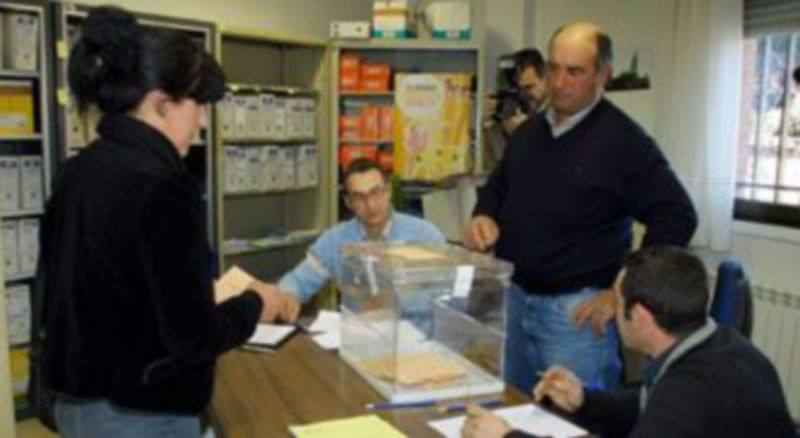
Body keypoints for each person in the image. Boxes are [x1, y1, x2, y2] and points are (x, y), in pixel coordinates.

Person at [38, 6, 296, 437]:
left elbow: (95, 285)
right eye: (198, 105)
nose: (203, 120)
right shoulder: (162, 185)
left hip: (77, 399)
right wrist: (257, 303)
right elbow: (194, 337)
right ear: (162, 103)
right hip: (136, 412)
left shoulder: (80, 169)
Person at [465, 21, 698, 393]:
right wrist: (484, 213)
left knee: (576, 418)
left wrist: (625, 289)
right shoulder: (530, 131)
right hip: (514, 299)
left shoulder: (625, 142)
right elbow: (499, 183)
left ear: (603, 75)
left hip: (575, 318)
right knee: (511, 409)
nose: (559, 83)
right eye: (553, 68)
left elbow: (677, 215)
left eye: (574, 72)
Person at [462, 246, 796, 438]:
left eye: (616, 304)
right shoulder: (717, 343)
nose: (610, 314)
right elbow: (648, 403)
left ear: (641, 316)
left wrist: (507, 436)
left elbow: (671, 405)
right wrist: (584, 402)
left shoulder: (690, 389)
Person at [278, 158, 445, 305]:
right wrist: (288, 296)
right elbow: (299, 279)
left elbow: (445, 292)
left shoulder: (425, 235)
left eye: (376, 192)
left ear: (388, 191)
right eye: (359, 197)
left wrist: (398, 300)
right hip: (357, 327)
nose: (370, 205)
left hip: (413, 328)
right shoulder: (335, 240)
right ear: (348, 202)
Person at [483, 48, 547, 170]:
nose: (523, 96)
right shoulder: (504, 114)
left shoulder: (561, 113)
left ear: (545, 80)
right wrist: (481, 122)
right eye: (517, 90)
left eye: (528, 88)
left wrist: (526, 134)